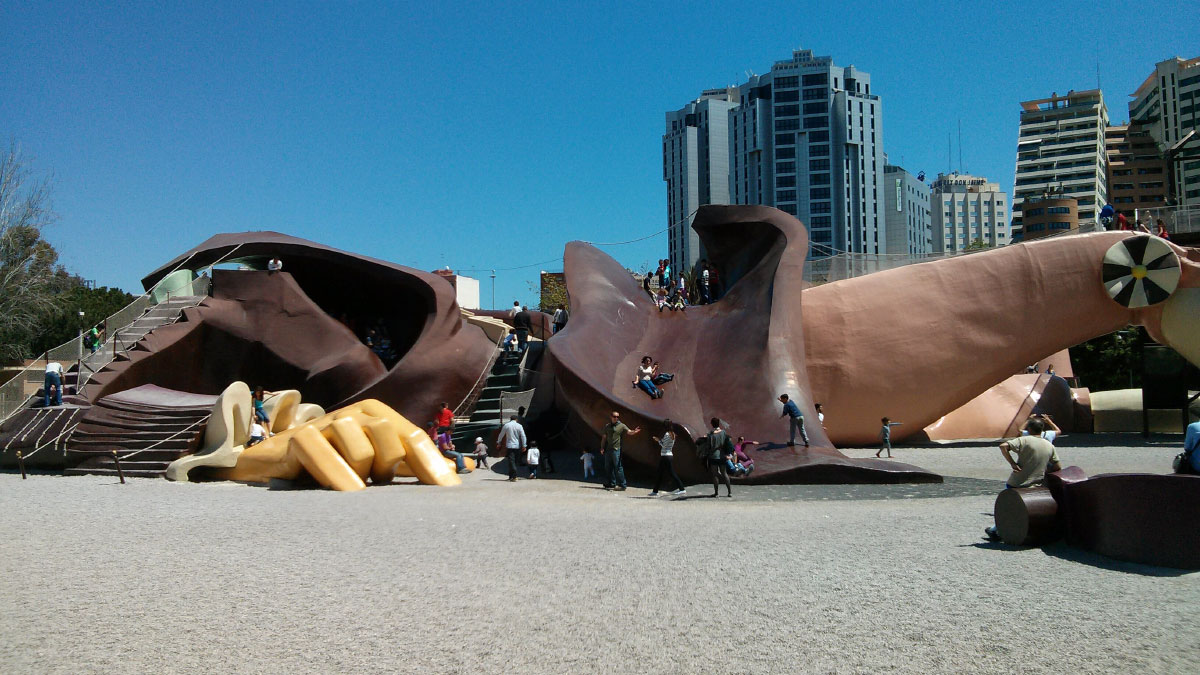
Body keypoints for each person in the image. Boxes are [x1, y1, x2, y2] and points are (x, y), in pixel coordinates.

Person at [984, 424, 1060, 541]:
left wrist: (1013, 463)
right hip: (1036, 482)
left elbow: (1003, 446)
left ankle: (996, 530)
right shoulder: (1049, 445)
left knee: (1008, 506)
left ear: (1029, 429)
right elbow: (1057, 466)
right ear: (1042, 429)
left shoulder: (1024, 440)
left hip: (1018, 481)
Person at [600, 411, 641, 491]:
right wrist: (602, 447)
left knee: (618, 467)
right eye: (614, 416)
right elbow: (604, 437)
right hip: (608, 449)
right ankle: (611, 483)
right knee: (608, 467)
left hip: (616, 450)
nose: (616, 418)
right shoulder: (607, 426)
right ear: (611, 417)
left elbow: (629, 432)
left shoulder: (621, 425)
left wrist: (634, 432)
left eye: (617, 417)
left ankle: (623, 485)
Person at [648, 419, 686, 497]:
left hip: (665, 456)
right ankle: (655, 491)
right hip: (668, 455)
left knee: (671, 473)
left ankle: (682, 489)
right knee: (660, 473)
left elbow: (664, 445)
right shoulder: (673, 434)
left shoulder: (667, 434)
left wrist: (658, 440)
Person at [700, 417, 734, 498]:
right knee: (724, 473)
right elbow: (727, 442)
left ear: (712, 424)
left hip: (713, 456)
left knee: (715, 475)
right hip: (722, 456)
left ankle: (716, 493)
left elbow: (708, 446)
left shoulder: (710, 434)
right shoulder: (723, 432)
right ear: (719, 424)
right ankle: (729, 492)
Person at [497, 414, 527, 481]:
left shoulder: (506, 425)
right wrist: (524, 445)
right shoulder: (519, 426)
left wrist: (499, 442)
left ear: (510, 419)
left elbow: (501, 435)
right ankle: (513, 475)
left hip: (510, 446)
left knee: (511, 461)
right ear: (516, 419)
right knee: (515, 461)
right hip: (517, 445)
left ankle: (512, 475)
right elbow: (523, 436)